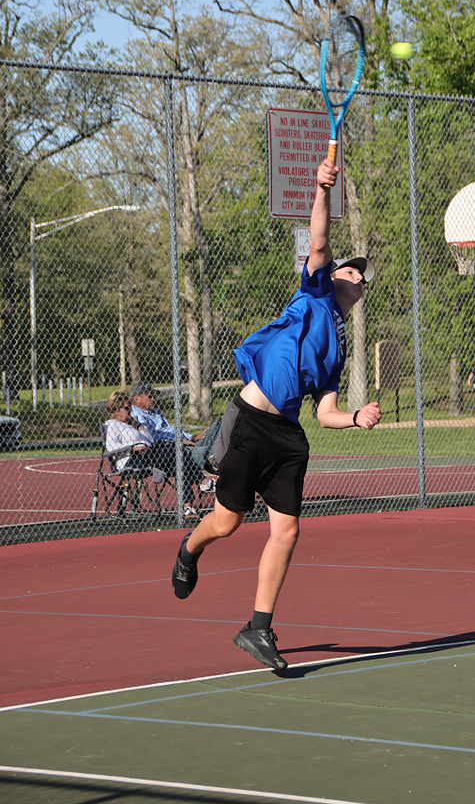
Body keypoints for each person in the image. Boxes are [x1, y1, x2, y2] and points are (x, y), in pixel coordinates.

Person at [170, 155, 381, 671]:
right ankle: (190, 548)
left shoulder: (339, 349)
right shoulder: (314, 293)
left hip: (287, 435)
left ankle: (258, 628)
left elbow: (325, 411)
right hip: (250, 418)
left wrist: (354, 418)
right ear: (334, 275)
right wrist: (321, 189)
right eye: (351, 268)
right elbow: (319, 240)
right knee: (227, 523)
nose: (357, 275)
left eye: (362, 275)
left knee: (287, 531)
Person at [105, 390, 204, 517]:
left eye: (130, 407)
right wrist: (132, 447)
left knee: (179, 464)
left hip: (147, 455)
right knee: (174, 449)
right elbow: (111, 446)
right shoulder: (111, 425)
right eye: (127, 408)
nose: (130, 411)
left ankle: (187, 506)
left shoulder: (130, 424)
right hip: (131, 460)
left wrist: (139, 426)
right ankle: (203, 481)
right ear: (116, 410)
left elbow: (150, 440)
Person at [129, 381, 219, 492]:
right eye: (149, 396)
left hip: (185, 442)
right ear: (136, 398)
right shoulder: (135, 415)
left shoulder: (155, 411)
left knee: (219, 423)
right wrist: (179, 441)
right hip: (172, 450)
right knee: (211, 452)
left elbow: (170, 429)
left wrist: (192, 437)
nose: (154, 399)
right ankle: (218, 466)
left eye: (154, 396)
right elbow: (152, 439)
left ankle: (217, 458)